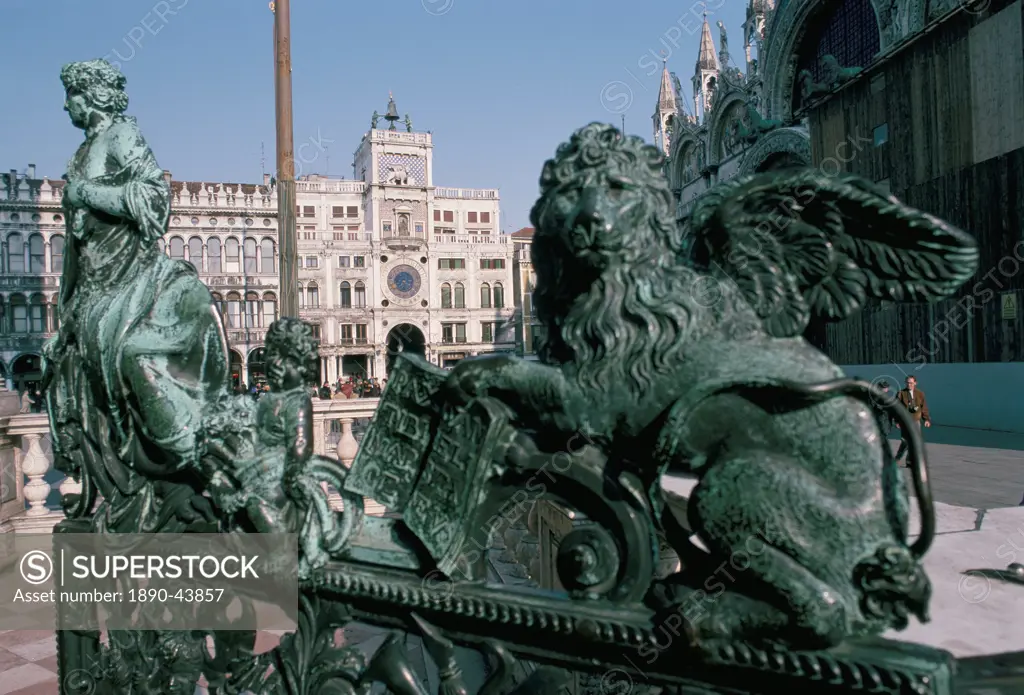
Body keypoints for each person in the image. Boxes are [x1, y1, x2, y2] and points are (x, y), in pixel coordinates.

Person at [43, 60, 231, 533]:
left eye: (72, 95)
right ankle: (134, 489)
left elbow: (155, 200)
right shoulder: (83, 150)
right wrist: (64, 319)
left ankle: (189, 458)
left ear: (91, 96)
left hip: (136, 276)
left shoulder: (121, 134)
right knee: (70, 366)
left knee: (135, 354)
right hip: (96, 288)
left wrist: (86, 193)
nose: (66, 104)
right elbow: (77, 254)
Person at [894, 375, 930, 465]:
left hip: (916, 421)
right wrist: (897, 421)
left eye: (911, 383)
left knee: (915, 441)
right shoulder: (901, 393)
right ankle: (897, 458)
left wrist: (926, 419)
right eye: (907, 382)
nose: (909, 384)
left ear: (915, 383)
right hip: (905, 421)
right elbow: (896, 408)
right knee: (905, 441)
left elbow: (924, 407)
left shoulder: (920, 394)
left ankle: (909, 461)